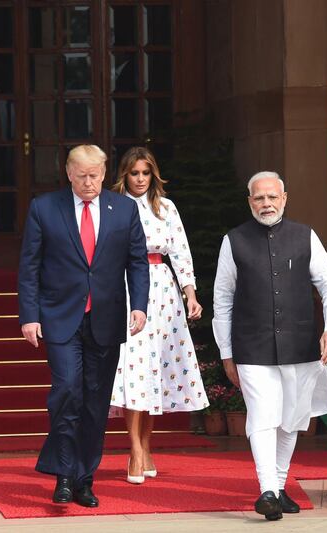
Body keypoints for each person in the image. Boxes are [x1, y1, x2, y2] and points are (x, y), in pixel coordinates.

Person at [18, 144, 150, 508]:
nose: (89, 182)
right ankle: (63, 475)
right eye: (82, 176)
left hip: (106, 319)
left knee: (95, 403)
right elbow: (30, 265)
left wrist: (139, 306)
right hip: (60, 318)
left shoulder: (124, 209)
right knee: (66, 392)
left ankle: (84, 479)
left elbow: (137, 262)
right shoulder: (45, 208)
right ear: (69, 173)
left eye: (95, 175)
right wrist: (29, 315)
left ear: (105, 173)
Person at [212, 171, 327, 521]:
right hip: (251, 346)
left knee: (291, 420)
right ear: (249, 201)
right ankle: (267, 490)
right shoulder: (234, 240)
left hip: (300, 343)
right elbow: (222, 299)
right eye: (259, 198)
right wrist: (226, 352)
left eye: (272, 197)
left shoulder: (305, 236)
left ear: (284, 198)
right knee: (263, 417)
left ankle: (280, 486)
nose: (266, 203)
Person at [109, 147, 209, 484]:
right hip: (126, 289)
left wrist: (190, 294)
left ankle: (147, 446)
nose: (140, 180)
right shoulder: (112, 207)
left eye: (145, 173)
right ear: (124, 174)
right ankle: (135, 450)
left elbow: (181, 250)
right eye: (134, 173)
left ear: (154, 175)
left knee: (156, 372)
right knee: (134, 370)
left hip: (164, 291)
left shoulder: (166, 207)